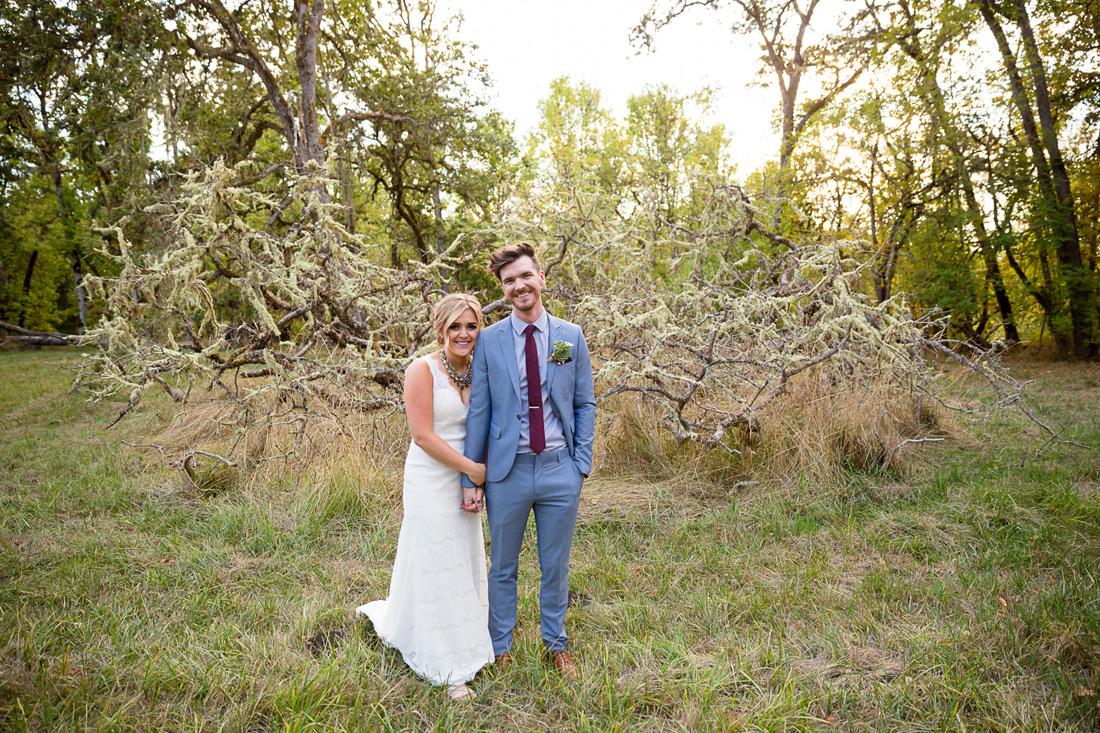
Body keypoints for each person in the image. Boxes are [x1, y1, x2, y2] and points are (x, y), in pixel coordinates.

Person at [462, 242, 596, 679]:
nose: (518, 285)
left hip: (561, 468)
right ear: (503, 291)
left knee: (555, 564)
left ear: (541, 278)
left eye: (524, 276)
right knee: (503, 565)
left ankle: (555, 645)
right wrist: (471, 476)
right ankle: (500, 647)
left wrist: (581, 464)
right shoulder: (489, 341)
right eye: (508, 281)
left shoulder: (570, 337)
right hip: (508, 471)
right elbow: (479, 410)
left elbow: (584, 403)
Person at [357, 293, 493, 702]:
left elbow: (488, 423)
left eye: (471, 326)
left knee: (461, 554)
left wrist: (475, 479)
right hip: (431, 475)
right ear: (440, 329)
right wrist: (471, 470)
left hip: (469, 476)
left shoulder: (478, 368)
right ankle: (446, 665)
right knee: (436, 556)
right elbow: (422, 435)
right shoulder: (422, 369)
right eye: (455, 326)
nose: (464, 334)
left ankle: (467, 635)